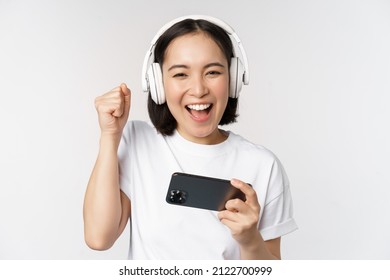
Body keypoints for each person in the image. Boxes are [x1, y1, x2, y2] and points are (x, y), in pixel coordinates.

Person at [83, 15, 297, 260]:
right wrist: (110, 137)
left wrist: (249, 240)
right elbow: (98, 237)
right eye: (181, 74)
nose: (198, 90)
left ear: (234, 79)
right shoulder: (137, 142)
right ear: (158, 84)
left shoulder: (263, 164)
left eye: (213, 72)